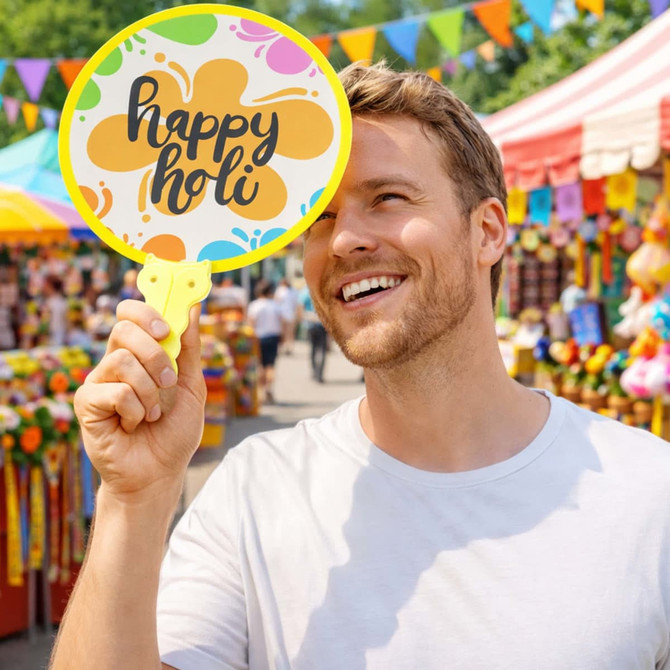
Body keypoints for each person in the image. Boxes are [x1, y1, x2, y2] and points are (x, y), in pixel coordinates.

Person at [51, 62, 670, 669]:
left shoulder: (648, 494)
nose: (344, 239)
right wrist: (133, 501)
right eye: (320, 218)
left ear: (486, 232)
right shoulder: (254, 494)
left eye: (388, 198)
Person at [247, 279, 283, 404]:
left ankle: (261, 392)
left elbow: (251, 325)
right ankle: (269, 389)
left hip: (258, 337)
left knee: (260, 365)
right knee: (270, 365)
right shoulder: (276, 305)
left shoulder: (254, 305)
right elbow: (282, 322)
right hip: (273, 337)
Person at [299, 284, 328, 382]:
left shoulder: (304, 292)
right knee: (322, 350)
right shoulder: (322, 290)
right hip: (322, 324)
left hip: (310, 325)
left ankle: (315, 371)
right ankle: (319, 374)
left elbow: (300, 309)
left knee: (313, 349)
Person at [274, 277, 300, 354]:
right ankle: (284, 346)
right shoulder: (280, 290)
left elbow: (296, 304)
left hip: (291, 313)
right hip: (282, 313)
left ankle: (290, 346)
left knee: (290, 331)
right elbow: (276, 301)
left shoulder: (294, 291)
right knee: (283, 331)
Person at [42, 275, 68, 347]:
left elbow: (46, 322)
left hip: (54, 338)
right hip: (60, 336)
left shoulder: (51, 303)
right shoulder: (63, 301)